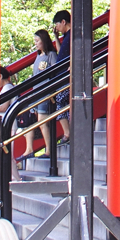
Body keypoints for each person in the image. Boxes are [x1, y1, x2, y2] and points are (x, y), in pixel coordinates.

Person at [32, 29, 59, 159]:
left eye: (38, 41)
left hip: (46, 91)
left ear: (44, 41)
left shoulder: (51, 55)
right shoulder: (38, 56)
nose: (36, 43)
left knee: (43, 121)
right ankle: (48, 147)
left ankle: (49, 149)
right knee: (40, 121)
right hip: (37, 92)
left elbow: (56, 71)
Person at [51, 10, 70, 143]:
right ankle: (68, 133)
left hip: (65, 75)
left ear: (63, 22)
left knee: (60, 102)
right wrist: (56, 38)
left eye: (57, 24)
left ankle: (68, 133)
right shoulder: (66, 37)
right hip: (62, 73)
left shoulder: (72, 36)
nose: (56, 27)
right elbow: (60, 52)